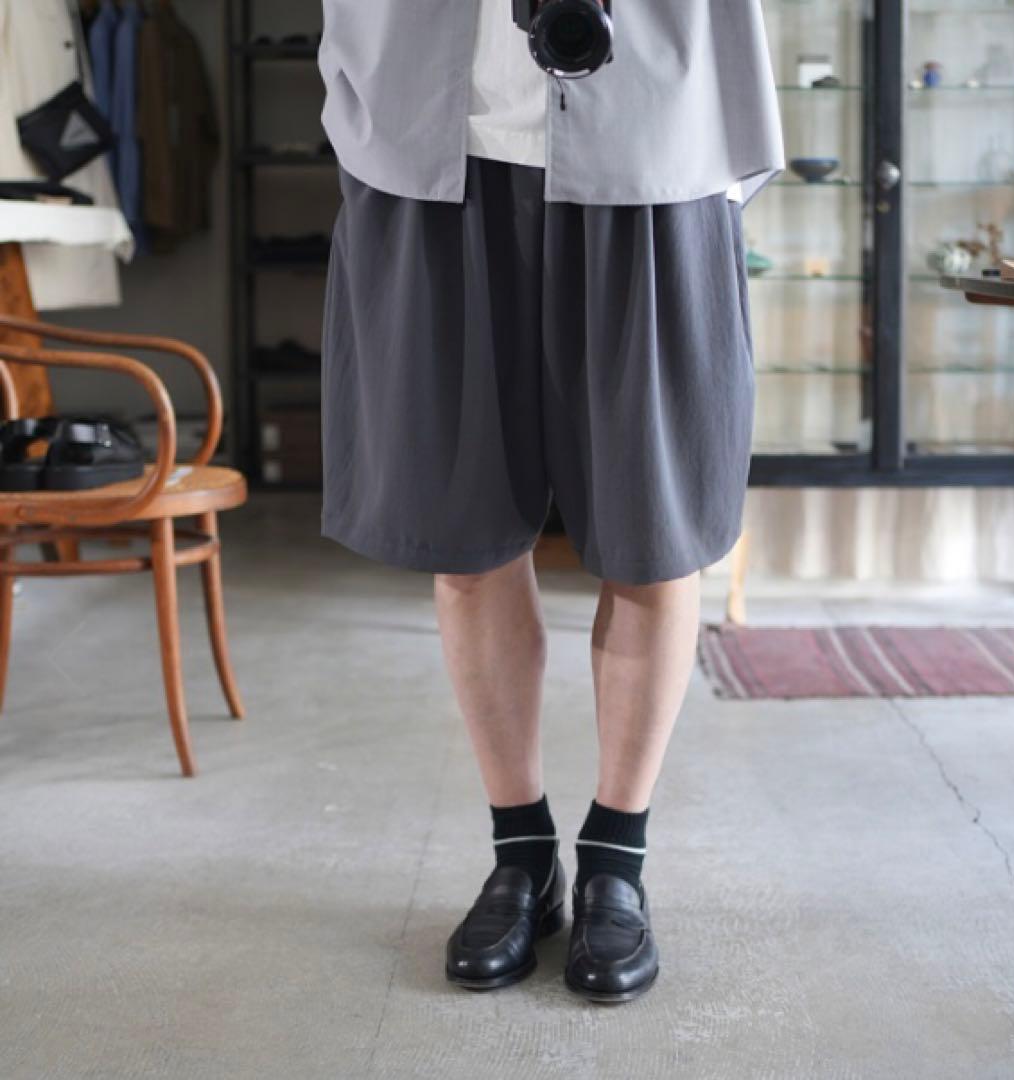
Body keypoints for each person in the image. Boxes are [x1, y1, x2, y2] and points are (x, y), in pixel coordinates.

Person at [317, 0, 784, 1003]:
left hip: (655, 134)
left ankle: (617, 858)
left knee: (654, 535)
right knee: (466, 533)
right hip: (430, 137)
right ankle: (522, 855)